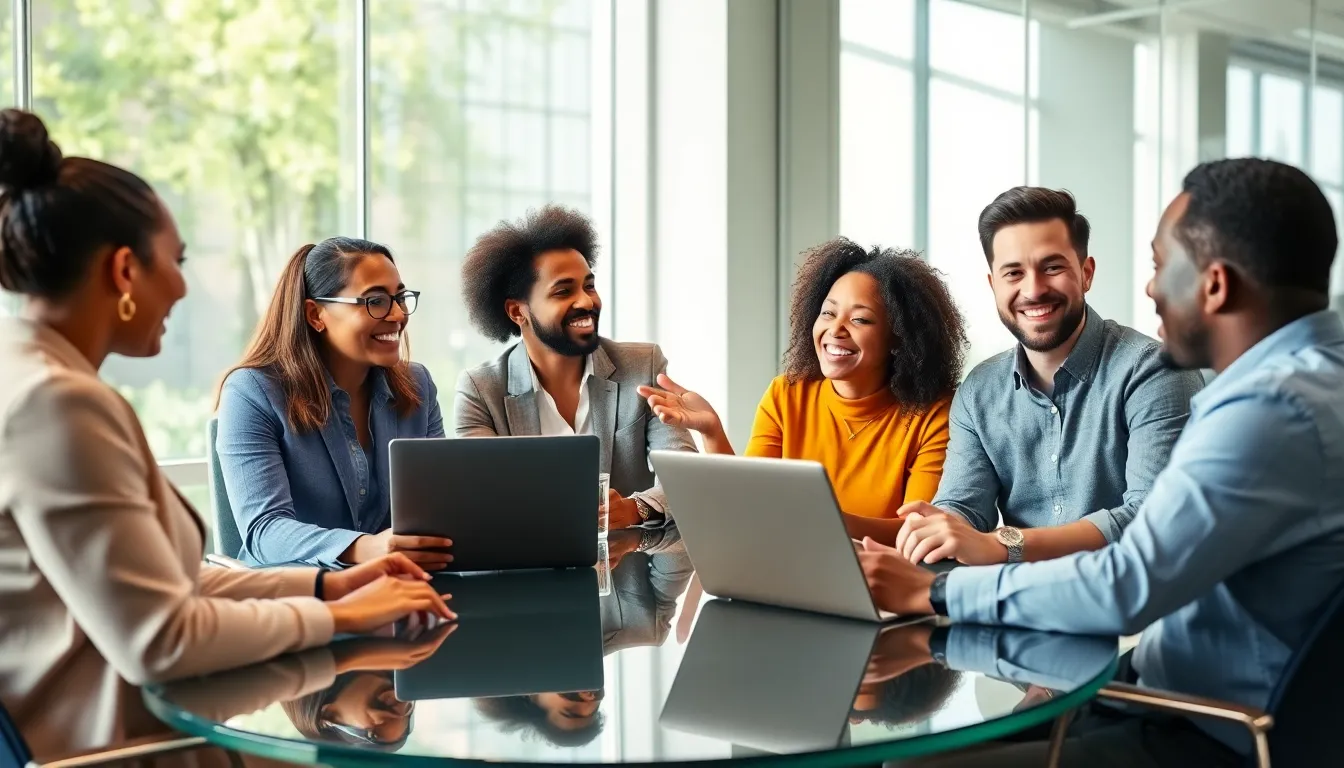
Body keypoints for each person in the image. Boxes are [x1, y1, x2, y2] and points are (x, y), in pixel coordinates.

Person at [0, 108, 454, 759]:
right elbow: (163, 640)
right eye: (176, 260)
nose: (184, 286)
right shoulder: (57, 402)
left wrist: (330, 585)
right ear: (124, 271)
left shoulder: (31, 374)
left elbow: (178, 583)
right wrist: (340, 614)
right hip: (115, 746)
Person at [860, 158, 1344, 767]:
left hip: (1204, 726)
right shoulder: (1312, 382)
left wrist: (939, 591)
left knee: (911, 765)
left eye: (1161, 266)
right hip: (1150, 683)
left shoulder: (1267, 411)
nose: (1151, 290)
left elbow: (1127, 583)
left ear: (1216, 285)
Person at [892, 187, 1204, 566]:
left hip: (1129, 597)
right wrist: (939, 528)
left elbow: (1152, 517)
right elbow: (964, 507)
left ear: (1086, 274)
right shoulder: (978, 391)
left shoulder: (1155, 370)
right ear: (993, 285)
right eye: (1013, 273)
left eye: (1052, 267)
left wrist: (1006, 544)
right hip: (1017, 595)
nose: (1034, 290)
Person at [639, 239, 967, 530]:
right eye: (828, 313)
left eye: (860, 319)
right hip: (787, 567)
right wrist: (712, 431)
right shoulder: (787, 394)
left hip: (883, 575)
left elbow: (916, 529)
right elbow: (747, 506)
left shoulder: (935, 414)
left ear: (899, 337)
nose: (835, 330)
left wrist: (817, 518)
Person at [455, 205, 696, 530]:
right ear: (517, 312)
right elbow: (480, 498)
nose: (586, 301)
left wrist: (633, 509)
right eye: (563, 291)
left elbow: (686, 477)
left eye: (589, 286)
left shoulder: (643, 366)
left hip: (628, 557)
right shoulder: (480, 391)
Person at [215, 237, 452, 568]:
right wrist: (365, 548)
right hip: (300, 591)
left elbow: (440, 504)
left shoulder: (418, 385)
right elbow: (264, 531)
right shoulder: (251, 392)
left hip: (400, 585)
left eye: (399, 297)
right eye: (376, 301)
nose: (398, 314)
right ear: (316, 315)